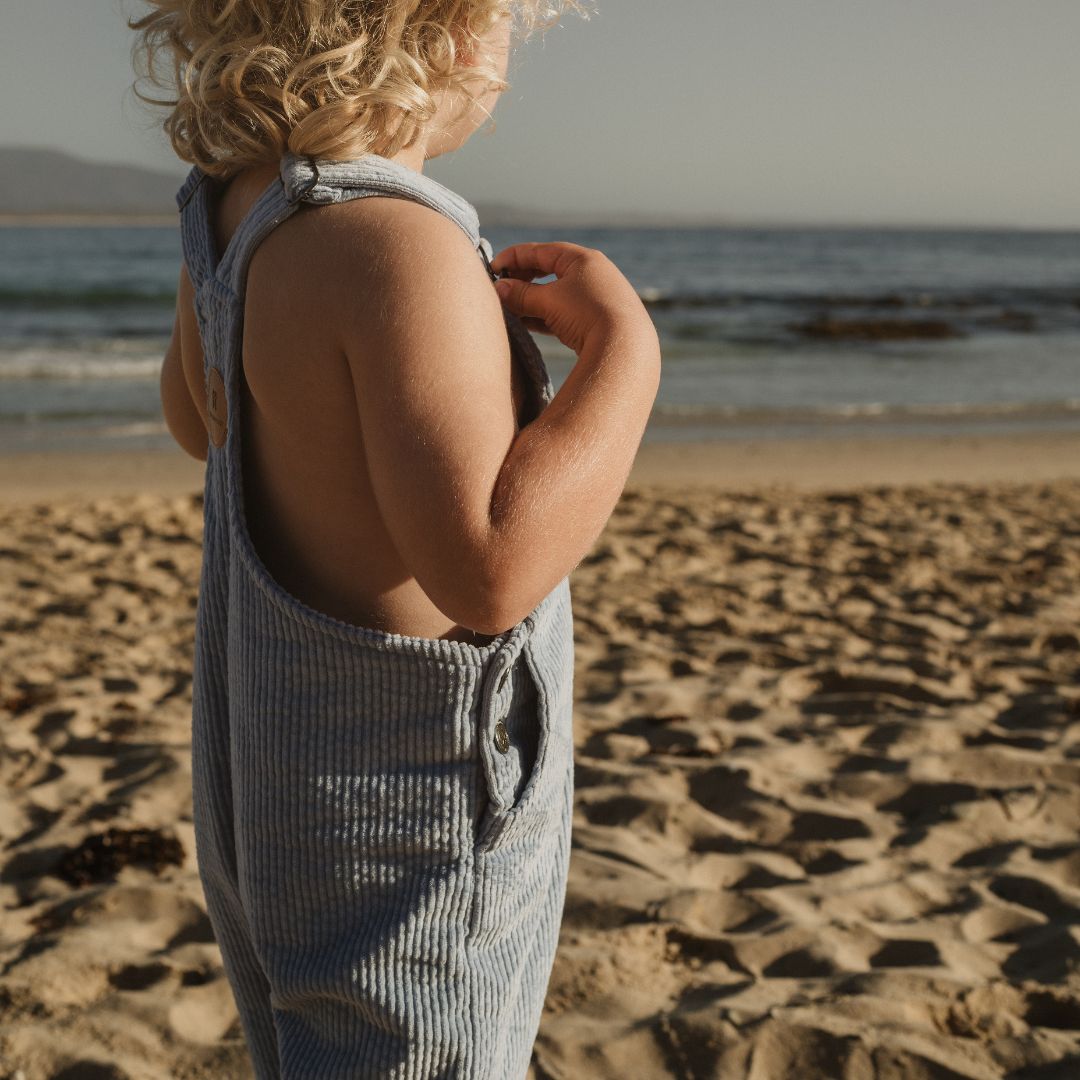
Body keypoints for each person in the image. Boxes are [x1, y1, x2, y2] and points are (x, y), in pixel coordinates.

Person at [130, 1, 661, 1076]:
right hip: (412, 844)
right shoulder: (399, 244)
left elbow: (199, 420)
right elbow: (491, 569)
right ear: (448, 30)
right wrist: (626, 355)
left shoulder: (234, 207)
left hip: (272, 805)